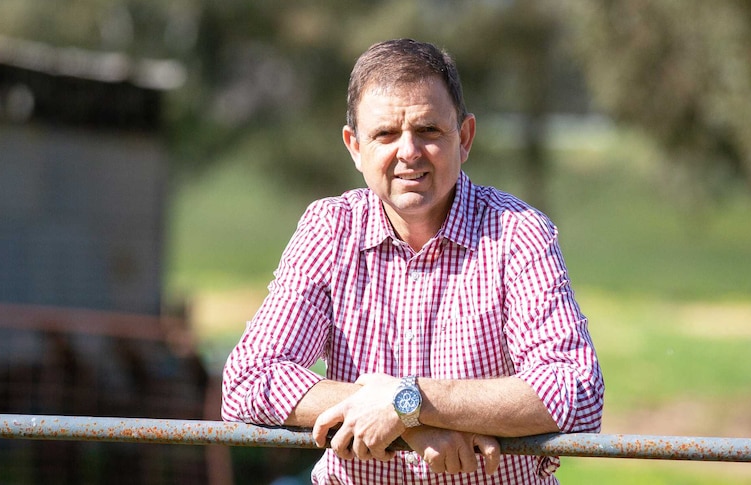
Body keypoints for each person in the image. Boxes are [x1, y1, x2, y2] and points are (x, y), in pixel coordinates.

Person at [222, 38, 604, 484]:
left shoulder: (518, 232)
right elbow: (248, 379)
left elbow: (576, 391)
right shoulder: (329, 229)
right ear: (354, 147)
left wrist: (409, 400)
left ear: (464, 138)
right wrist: (410, 422)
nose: (408, 152)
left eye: (428, 131)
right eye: (385, 134)